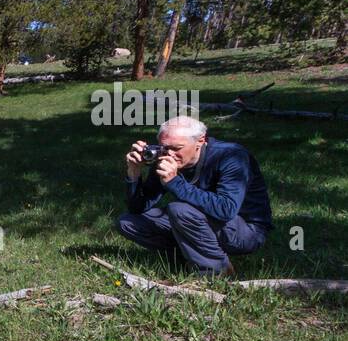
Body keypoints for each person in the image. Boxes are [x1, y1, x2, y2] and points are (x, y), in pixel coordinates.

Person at [116, 115, 271, 276]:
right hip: (202, 222)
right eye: (164, 147)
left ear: (200, 140)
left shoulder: (231, 156)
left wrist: (175, 182)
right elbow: (138, 208)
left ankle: (216, 272)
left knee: (179, 210)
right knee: (128, 222)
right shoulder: (166, 157)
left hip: (247, 230)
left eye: (177, 148)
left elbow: (227, 209)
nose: (169, 154)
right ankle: (189, 256)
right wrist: (134, 172)